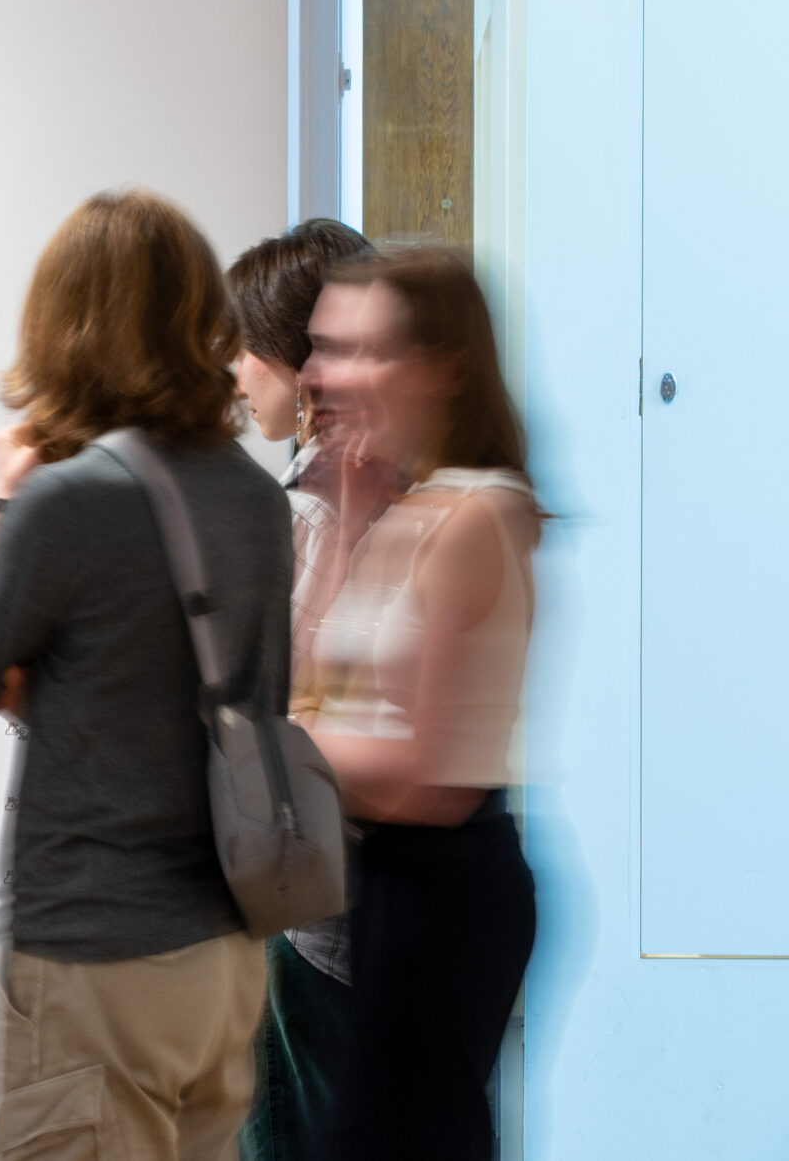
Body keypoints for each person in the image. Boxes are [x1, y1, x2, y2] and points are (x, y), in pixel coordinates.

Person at [0, 190, 290, 1161]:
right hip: (226, 955)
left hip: (99, 957)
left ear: (62, 325)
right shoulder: (253, 496)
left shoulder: (70, 501)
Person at [302, 249, 538, 1161]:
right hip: (387, 881)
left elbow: (426, 782)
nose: (329, 375)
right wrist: (349, 519)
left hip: (442, 891)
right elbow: (313, 680)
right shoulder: (414, 505)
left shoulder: (479, 512)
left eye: (366, 350)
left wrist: (276, 742)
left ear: (443, 366)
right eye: (328, 349)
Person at [224, 218, 372, 1161]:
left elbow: (267, 718)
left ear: (296, 357)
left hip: (309, 909)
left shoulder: (306, 512)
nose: (234, 373)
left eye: (244, 346)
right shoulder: (394, 486)